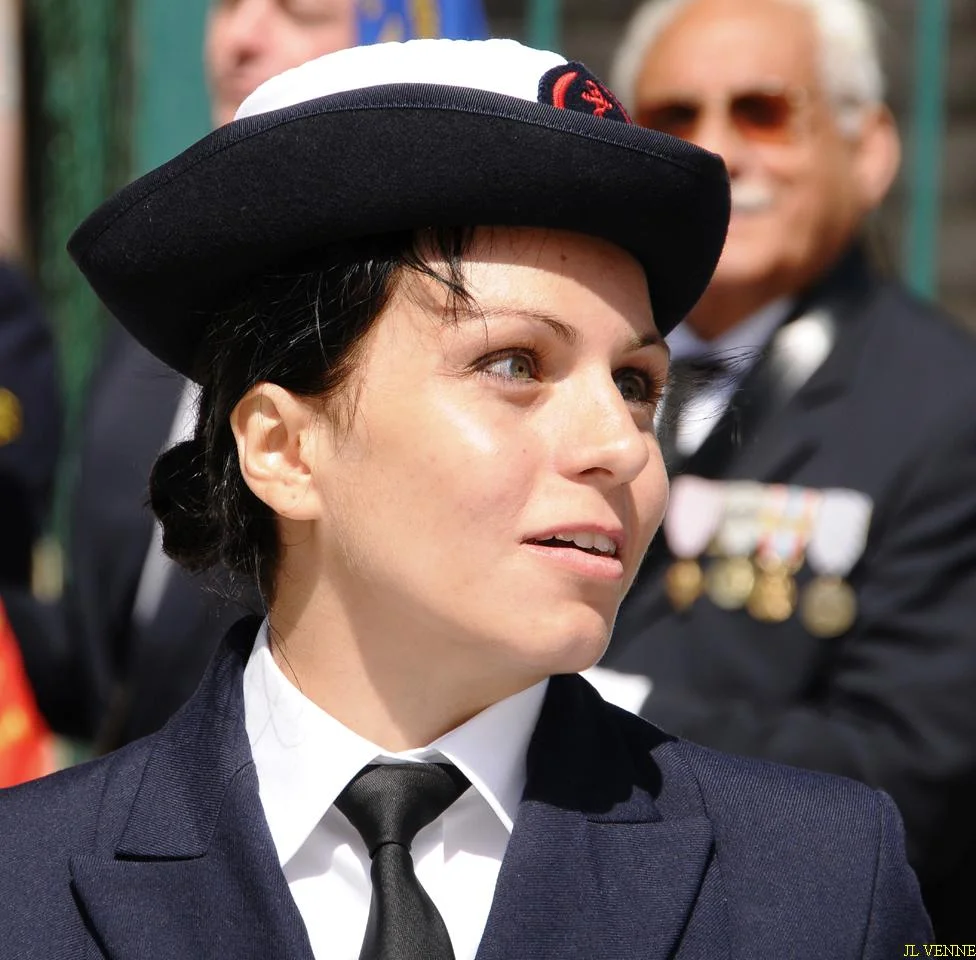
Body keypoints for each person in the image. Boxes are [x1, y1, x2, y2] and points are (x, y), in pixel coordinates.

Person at [0, 38, 930, 957]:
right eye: (516, 363)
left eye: (639, 384)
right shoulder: (26, 882)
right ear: (283, 449)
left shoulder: (820, 886)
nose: (620, 447)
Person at [593, 0, 976, 940]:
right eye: (674, 120)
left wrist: (595, 706)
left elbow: (917, 781)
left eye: (764, 111)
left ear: (871, 150)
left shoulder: (947, 406)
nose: (717, 151)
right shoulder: (559, 366)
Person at [32, 0, 488, 745]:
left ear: (408, 35)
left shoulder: (456, 330)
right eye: (228, 7)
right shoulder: (153, 307)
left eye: (298, 11)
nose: (240, 41)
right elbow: (96, 663)